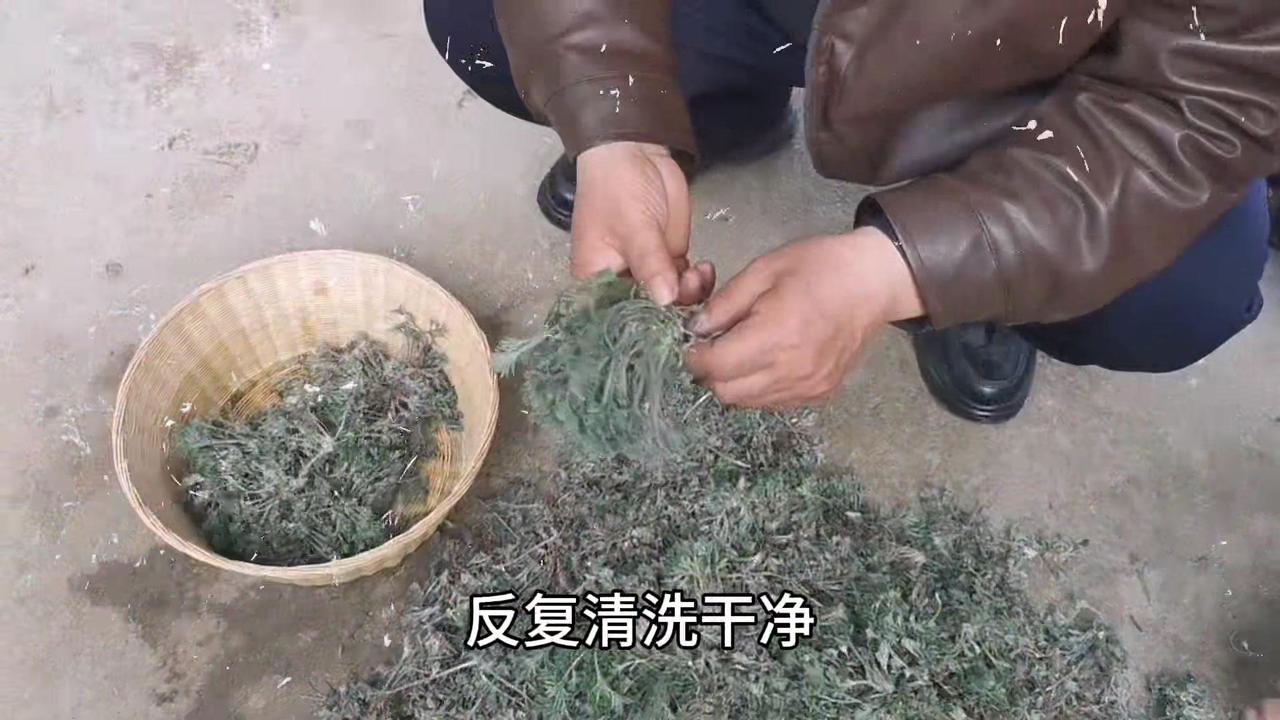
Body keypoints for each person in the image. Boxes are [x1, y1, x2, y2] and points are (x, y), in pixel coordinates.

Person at [422, 0, 1278, 423]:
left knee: (1179, 288)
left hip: (1024, 55)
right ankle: (712, 110)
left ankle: (982, 284)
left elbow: (1207, 99)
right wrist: (618, 112)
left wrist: (908, 268)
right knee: (483, 21)